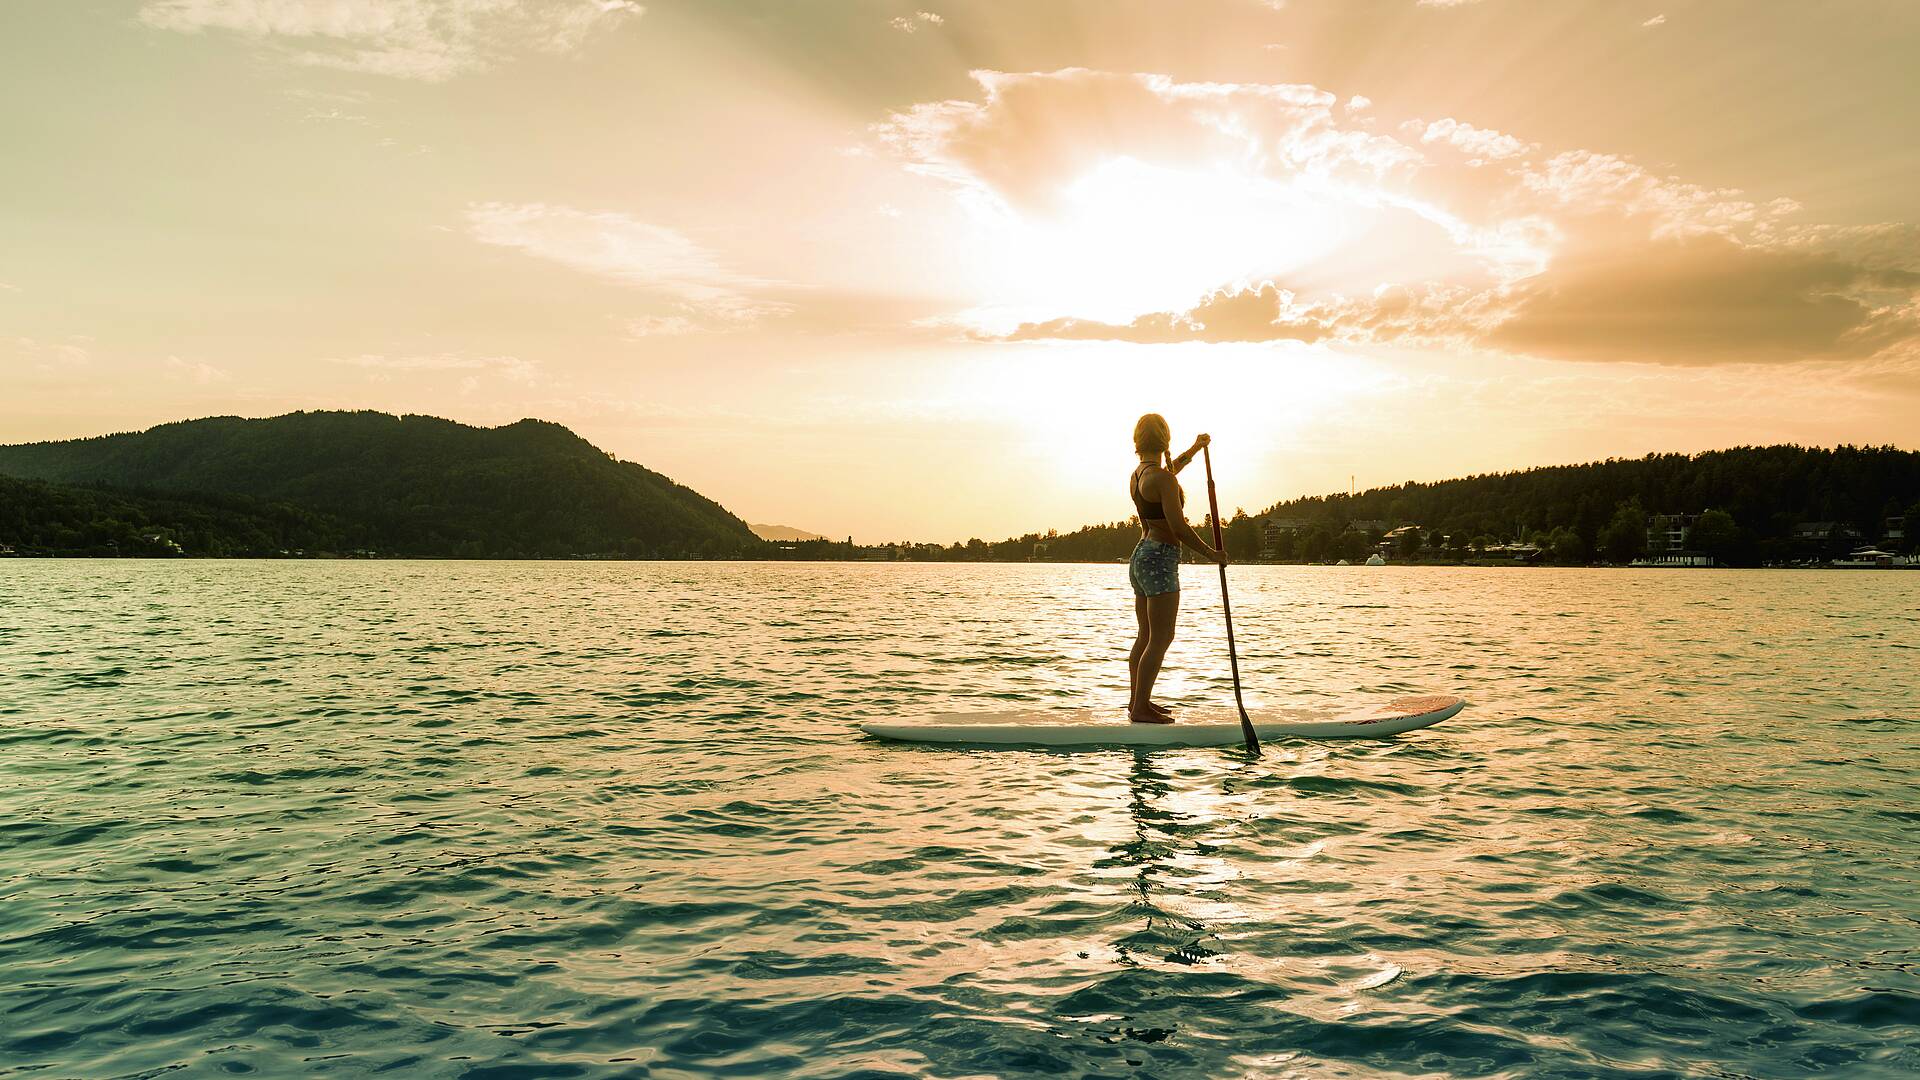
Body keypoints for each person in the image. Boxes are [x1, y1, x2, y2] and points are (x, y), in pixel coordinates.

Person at [1127, 414, 1227, 724]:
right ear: (1164, 440)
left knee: (1146, 635)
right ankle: (1141, 707)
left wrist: (1196, 448)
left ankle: (1137, 701)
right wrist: (1213, 554)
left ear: (1137, 440)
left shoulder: (1140, 475)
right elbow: (1179, 527)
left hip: (1141, 556)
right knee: (1162, 637)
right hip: (1160, 559)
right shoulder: (1162, 478)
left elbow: (1173, 470)